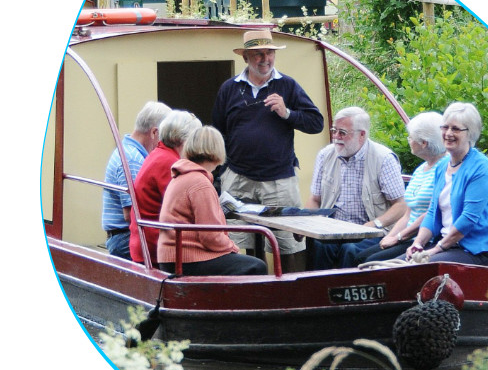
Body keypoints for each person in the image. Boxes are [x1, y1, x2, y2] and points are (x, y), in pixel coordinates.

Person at [211, 29, 324, 272]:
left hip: (279, 180)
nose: (265, 59)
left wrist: (287, 113)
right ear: (246, 58)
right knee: (239, 242)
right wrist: (220, 174)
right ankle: (248, 293)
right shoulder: (229, 89)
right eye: (258, 54)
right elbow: (217, 132)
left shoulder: (288, 86)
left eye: (269, 53)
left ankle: (293, 297)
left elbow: (317, 124)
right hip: (238, 179)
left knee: (289, 244)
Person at [157, 126, 267, 276]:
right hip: (189, 259)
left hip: (172, 257)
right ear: (217, 151)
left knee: (243, 262)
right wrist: (233, 247)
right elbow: (210, 236)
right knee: (257, 266)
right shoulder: (200, 183)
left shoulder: (181, 177)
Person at [306, 106, 406, 269]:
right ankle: (317, 292)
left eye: (342, 132)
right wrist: (307, 224)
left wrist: (375, 224)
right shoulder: (325, 155)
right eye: (334, 130)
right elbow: (314, 199)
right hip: (333, 228)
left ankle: (346, 292)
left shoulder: (383, 159)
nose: (336, 137)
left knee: (350, 250)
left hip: (370, 230)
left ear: (362, 135)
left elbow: (401, 205)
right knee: (319, 245)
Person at [402, 102, 488, 266]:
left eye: (455, 129)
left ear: (470, 133)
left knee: (415, 269)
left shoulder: (481, 167)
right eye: (445, 127)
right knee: (392, 267)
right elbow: (433, 212)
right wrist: (418, 243)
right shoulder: (442, 166)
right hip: (445, 246)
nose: (448, 133)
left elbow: (468, 219)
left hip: (474, 251)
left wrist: (436, 249)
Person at [353, 111, 446, 266]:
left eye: (411, 137)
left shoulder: (444, 168)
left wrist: (398, 238)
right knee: (359, 256)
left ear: (424, 143)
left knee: (370, 262)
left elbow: (430, 213)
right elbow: (407, 213)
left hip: (424, 239)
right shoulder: (422, 168)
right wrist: (390, 236)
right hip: (406, 236)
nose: (408, 140)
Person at [129, 110, 202, 264]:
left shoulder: (158, 154)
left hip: (146, 241)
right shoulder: (170, 163)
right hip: (156, 247)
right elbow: (185, 208)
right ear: (185, 139)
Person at [102, 101, 172, 260]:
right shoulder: (133, 159)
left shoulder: (129, 151)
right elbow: (132, 214)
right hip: (124, 238)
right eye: (166, 136)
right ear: (155, 132)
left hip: (122, 235)